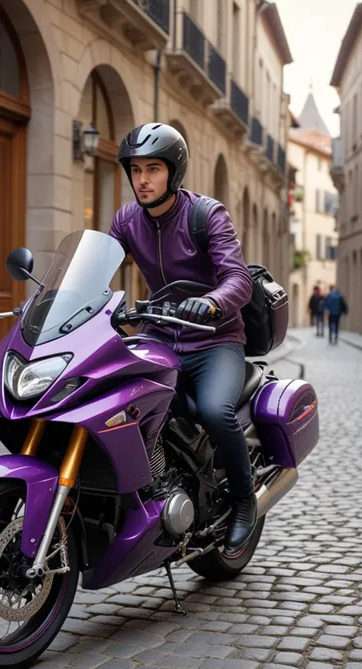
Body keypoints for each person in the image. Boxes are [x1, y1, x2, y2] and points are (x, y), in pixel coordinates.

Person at [109, 122, 256, 558]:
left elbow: (239, 279)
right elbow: (97, 270)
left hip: (214, 339)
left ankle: (243, 501)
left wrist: (211, 302)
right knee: (122, 401)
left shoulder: (206, 214)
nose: (143, 180)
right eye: (135, 171)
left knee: (214, 410)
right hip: (160, 338)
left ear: (174, 173)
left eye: (153, 169)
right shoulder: (126, 220)